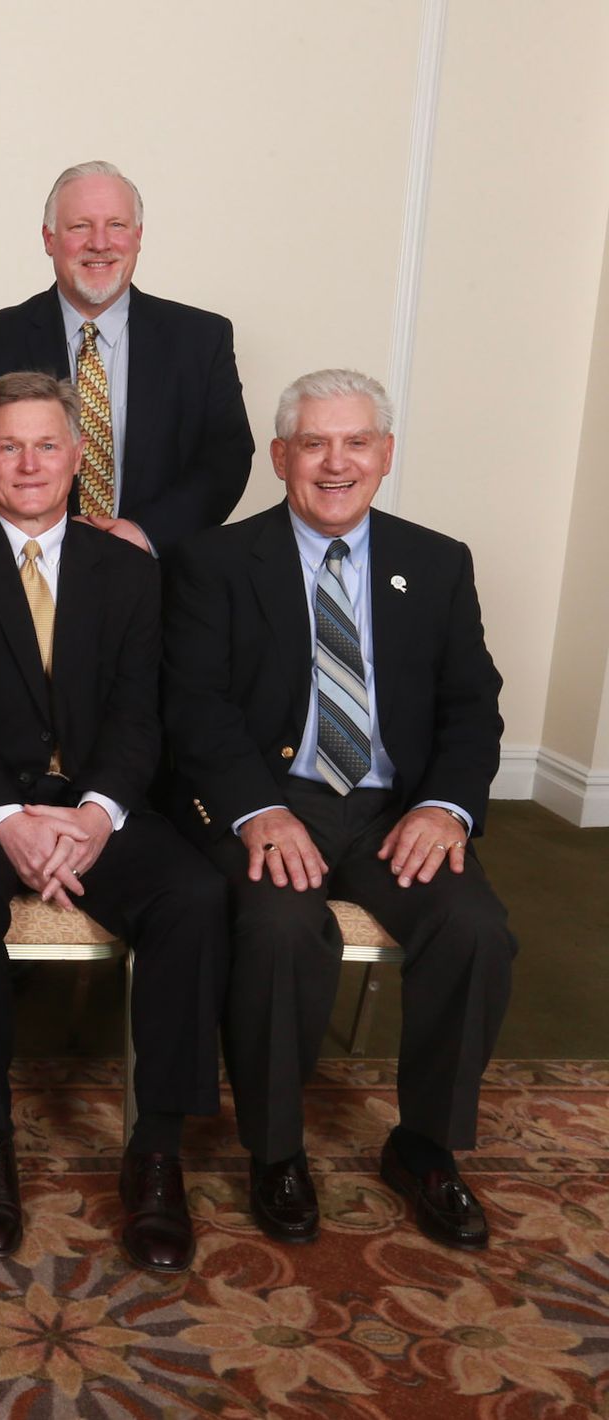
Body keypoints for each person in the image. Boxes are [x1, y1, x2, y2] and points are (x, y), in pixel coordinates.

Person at [163, 368, 516, 1250]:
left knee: (475, 929)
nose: (335, 463)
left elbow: (472, 706)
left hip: (398, 808)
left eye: (356, 442)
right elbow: (195, 709)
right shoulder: (214, 562)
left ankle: (425, 1146)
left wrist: (445, 809)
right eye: (314, 443)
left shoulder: (438, 562)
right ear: (280, 456)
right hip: (277, 799)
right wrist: (254, 810)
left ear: (385, 455)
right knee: (281, 930)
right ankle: (276, 1150)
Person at [0, 371, 225, 1274]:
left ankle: (156, 1153)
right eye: (10, 446)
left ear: (78, 457)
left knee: (193, 895)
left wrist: (97, 815)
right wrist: (8, 820)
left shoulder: (129, 569)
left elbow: (139, 715)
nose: (30, 463)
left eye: (47, 445)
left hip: (91, 800)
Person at [0, 161, 253, 554]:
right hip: (32, 569)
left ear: (138, 236)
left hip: (164, 571)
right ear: (49, 238)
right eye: (80, 226)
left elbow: (226, 459)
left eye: (116, 225)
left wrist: (145, 534)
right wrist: (42, 538)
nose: (100, 243)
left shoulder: (201, 339)